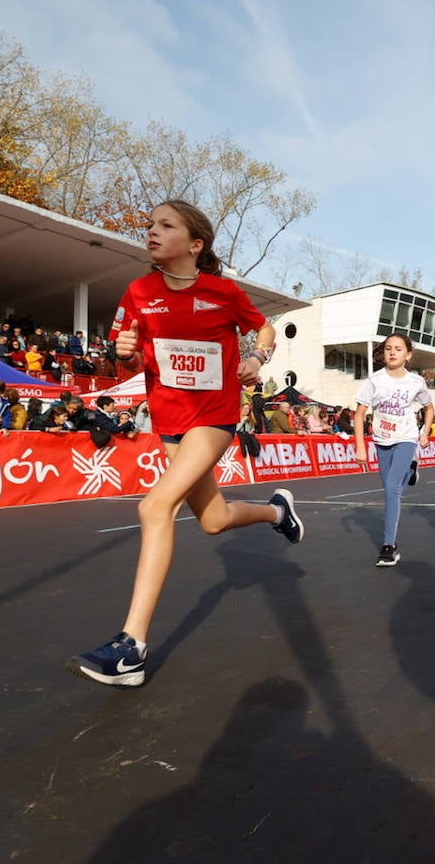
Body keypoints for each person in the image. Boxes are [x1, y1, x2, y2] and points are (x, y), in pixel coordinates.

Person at [67, 199, 302, 689]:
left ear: (195, 244)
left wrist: (257, 358)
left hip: (214, 417)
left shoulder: (222, 292)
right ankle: (279, 512)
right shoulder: (138, 292)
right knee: (213, 520)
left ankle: (130, 648)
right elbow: (125, 363)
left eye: (164, 225)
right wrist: (124, 353)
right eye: (149, 224)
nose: (151, 231)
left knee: (155, 506)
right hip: (169, 421)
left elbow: (264, 325)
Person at [352, 333, 433, 567]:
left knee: (391, 490)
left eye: (398, 349)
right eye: (388, 348)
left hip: (406, 438)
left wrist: (424, 432)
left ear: (408, 355)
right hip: (381, 440)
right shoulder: (374, 381)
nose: (392, 352)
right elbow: (359, 414)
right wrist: (360, 447)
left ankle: (389, 546)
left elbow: (429, 407)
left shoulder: (416, 382)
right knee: (390, 486)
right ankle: (411, 470)